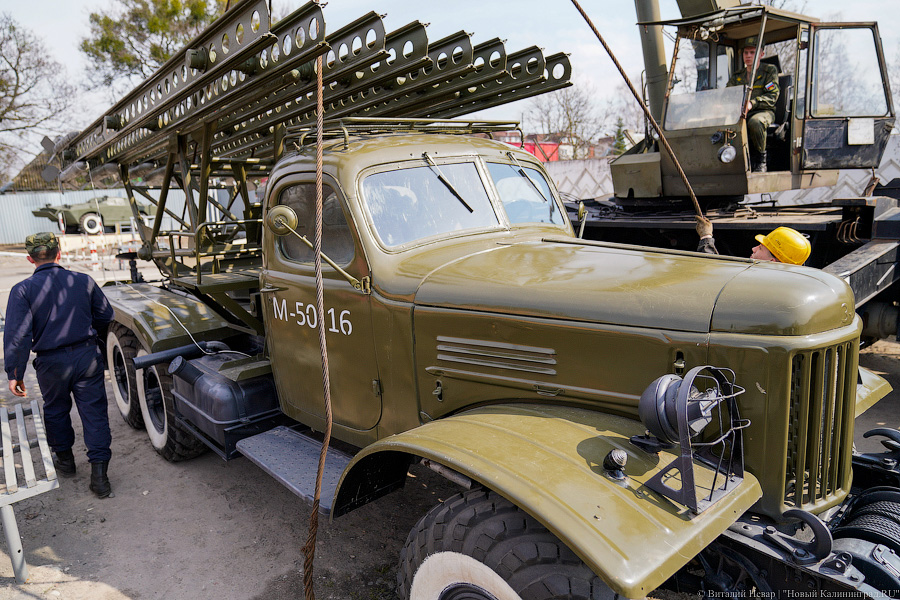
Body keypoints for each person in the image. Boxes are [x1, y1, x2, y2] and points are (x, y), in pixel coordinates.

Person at [3, 232, 115, 498]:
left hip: (51, 363)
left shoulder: (22, 290)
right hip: (86, 356)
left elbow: (17, 336)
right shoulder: (84, 281)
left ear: (30, 258)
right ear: (59, 253)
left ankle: (66, 462)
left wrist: (15, 373)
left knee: (55, 410)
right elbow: (105, 315)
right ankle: (100, 478)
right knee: (95, 413)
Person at [727, 37, 779, 172]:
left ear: (761, 54)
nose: (748, 56)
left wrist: (752, 103)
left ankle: (761, 159)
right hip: (741, 113)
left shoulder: (769, 71)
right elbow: (727, 94)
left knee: (755, 122)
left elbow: (772, 96)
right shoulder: (738, 76)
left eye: (752, 52)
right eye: (746, 53)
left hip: (764, 111)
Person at [696, 217, 811, 265]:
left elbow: (714, 277)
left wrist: (706, 238)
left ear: (772, 261)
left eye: (760, 248)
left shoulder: (755, 281)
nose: (753, 249)